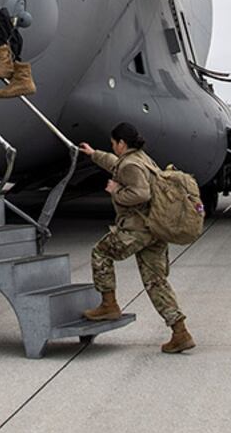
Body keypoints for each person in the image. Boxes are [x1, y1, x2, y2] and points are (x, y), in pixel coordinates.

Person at [77, 123, 195, 354]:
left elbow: (141, 193)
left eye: (113, 143)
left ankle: (109, 304)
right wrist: (94, 155)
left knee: (101, 253)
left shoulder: (130, 164)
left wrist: (115, 192)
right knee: (156, 282)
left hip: (137, 230)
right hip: (155, 230)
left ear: (121, 143)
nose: (113, 147)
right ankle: (180, 332)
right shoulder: (141, 159)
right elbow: (117, 165)